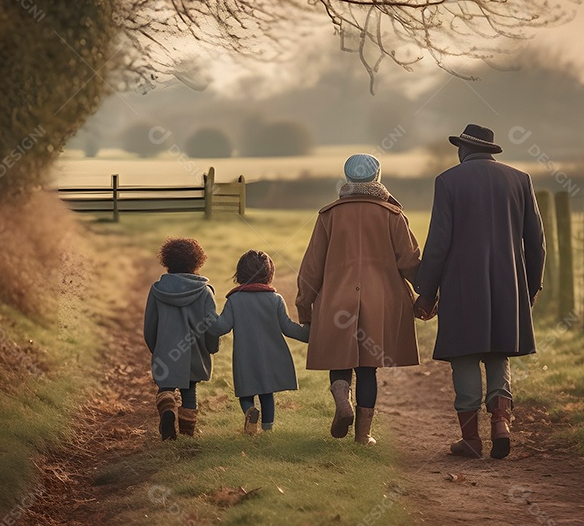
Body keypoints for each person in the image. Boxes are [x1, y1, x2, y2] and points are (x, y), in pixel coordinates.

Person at [414, 124, 545, 459]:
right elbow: (536, 243)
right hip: (508, 282)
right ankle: (501, 423)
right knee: (499, 351)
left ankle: (471, 439)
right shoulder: (520, 179)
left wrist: (426, 293)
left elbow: (439, 243)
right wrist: (528, 289)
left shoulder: (448, 181)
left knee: (465, 355)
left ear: (463, 150)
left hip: (461, 283)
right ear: (490, 150)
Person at [296, 153, 422, 445]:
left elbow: (312, 267)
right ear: (377, 178)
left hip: (335, 298)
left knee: (339, 359)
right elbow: (410, 262)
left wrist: (305, 308)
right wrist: (427, 296)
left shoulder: (328, 215)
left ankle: (342, 400)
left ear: (348, 179)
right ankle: (363, 436)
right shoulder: (393, 216)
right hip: (380, 302)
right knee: (368, 367)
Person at [210, 250, 309, 434]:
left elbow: (221, 327)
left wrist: (206, 313)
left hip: (245, 357)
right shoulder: (275, 299)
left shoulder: (235, 300)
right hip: (271, 357)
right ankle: (268, 430)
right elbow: (287, 328)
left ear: (240, 274)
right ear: (268, 274)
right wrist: (310, 334)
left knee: (245, 393)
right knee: (267, 393)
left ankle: (249, 412)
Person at [143, 237, 221, 440]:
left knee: (166, 387)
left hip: (166, 350)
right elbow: (212, 328)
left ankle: (168, 406)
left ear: (167, 262)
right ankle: (187, 436)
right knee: (190, 391)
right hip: (194, 352)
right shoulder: (205, 292)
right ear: (197, 262)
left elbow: (150, 326)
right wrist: (211, 348)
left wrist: (157, 348)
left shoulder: (157, 290)